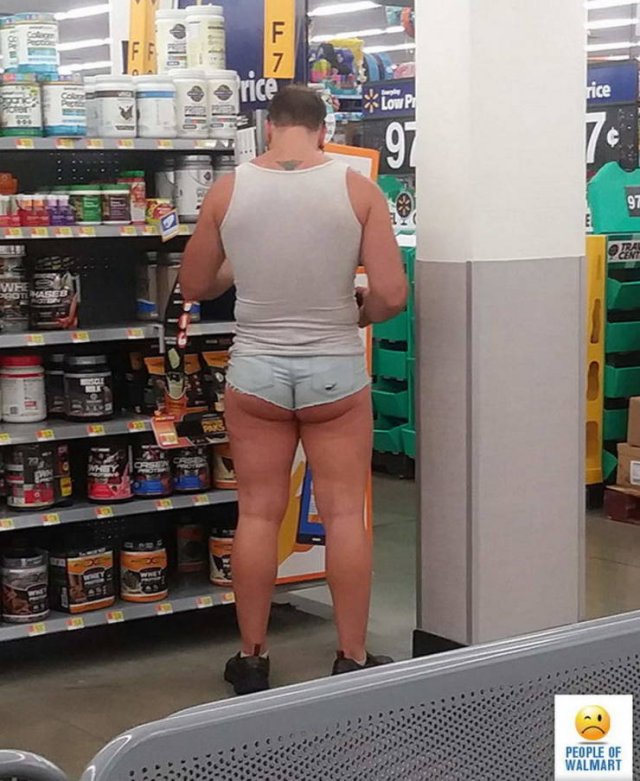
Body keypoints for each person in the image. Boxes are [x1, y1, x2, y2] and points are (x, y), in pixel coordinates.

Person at [180, 85, 407, 696]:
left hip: (255, 373)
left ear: (269, 127)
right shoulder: (358, 191)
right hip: (334, 372)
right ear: (323, 129)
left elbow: (195, 284)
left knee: (257, 512)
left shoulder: (228, 190)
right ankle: (351, 657)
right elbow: (391, 294)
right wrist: (357, 315)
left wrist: (244, 261)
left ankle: (251, 658)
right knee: (344, 515)